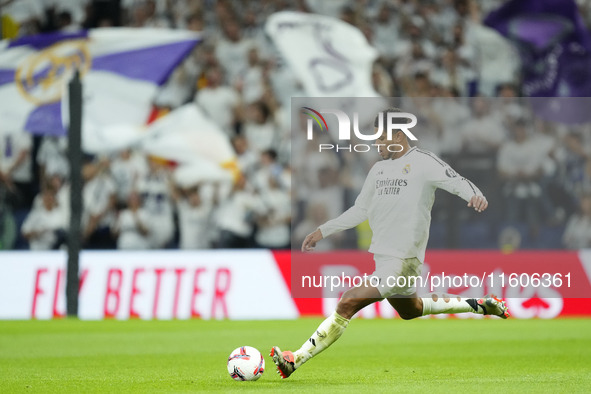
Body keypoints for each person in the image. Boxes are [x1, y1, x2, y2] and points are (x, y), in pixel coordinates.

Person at [270, 108, 509, 379]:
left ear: (398, 135)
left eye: (381, 138)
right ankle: (481, 304)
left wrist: (475, 195)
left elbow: (457, 181)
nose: (377, 143)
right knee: (411, 310)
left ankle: (295, 359)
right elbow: (360, 210)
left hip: (403, 258)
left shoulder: (423, 161)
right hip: (384, 257)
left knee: (348, 302)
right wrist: (322, 230)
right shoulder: (379, 169)